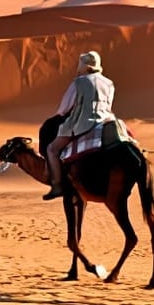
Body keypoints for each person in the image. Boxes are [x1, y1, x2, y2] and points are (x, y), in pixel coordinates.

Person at [43, 51, 116, 198]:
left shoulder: (79, 83)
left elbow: (63, 110)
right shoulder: (109, 83)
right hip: (105, 121)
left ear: (86, 66)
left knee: (52, 149)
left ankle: (57, 185)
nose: (78, 68)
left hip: (82, 123)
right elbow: (108, 105)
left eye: (80, 64)